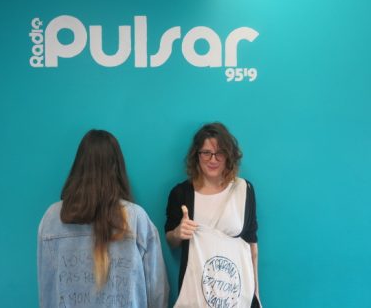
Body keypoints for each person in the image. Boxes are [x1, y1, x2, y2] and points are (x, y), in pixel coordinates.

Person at [38, 129, 169, 308]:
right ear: (117, 167)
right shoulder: (136, 218)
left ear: (79, 165)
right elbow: (156, 291)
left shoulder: (52, 218)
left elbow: (47, 291)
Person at [165, 122, 261, 308]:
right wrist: (178, 233)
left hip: (237, 296)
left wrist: (256, 294)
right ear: (196, 155)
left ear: (229, 156)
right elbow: (170, 240)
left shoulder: (244, 190)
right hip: (195, 297)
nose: (213, 159)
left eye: (220, 153)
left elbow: (252, 246)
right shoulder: (181, 193)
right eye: (206, 152)